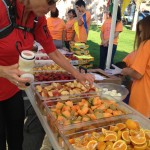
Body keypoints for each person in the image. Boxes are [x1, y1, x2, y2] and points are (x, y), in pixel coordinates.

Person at [0, 0, 94, 150]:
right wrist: (3, 71)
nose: (52, 9)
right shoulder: (2, 9)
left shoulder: (37, 19)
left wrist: (77, 74)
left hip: (13, 91)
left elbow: (53, 51)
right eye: (49, 2)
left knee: (17, 140)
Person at [121, 16, 150, 118]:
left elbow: (138, 74)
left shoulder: (146, 44)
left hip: (142, 99)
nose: (140, 36)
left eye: (142, 32)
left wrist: (127, 71)